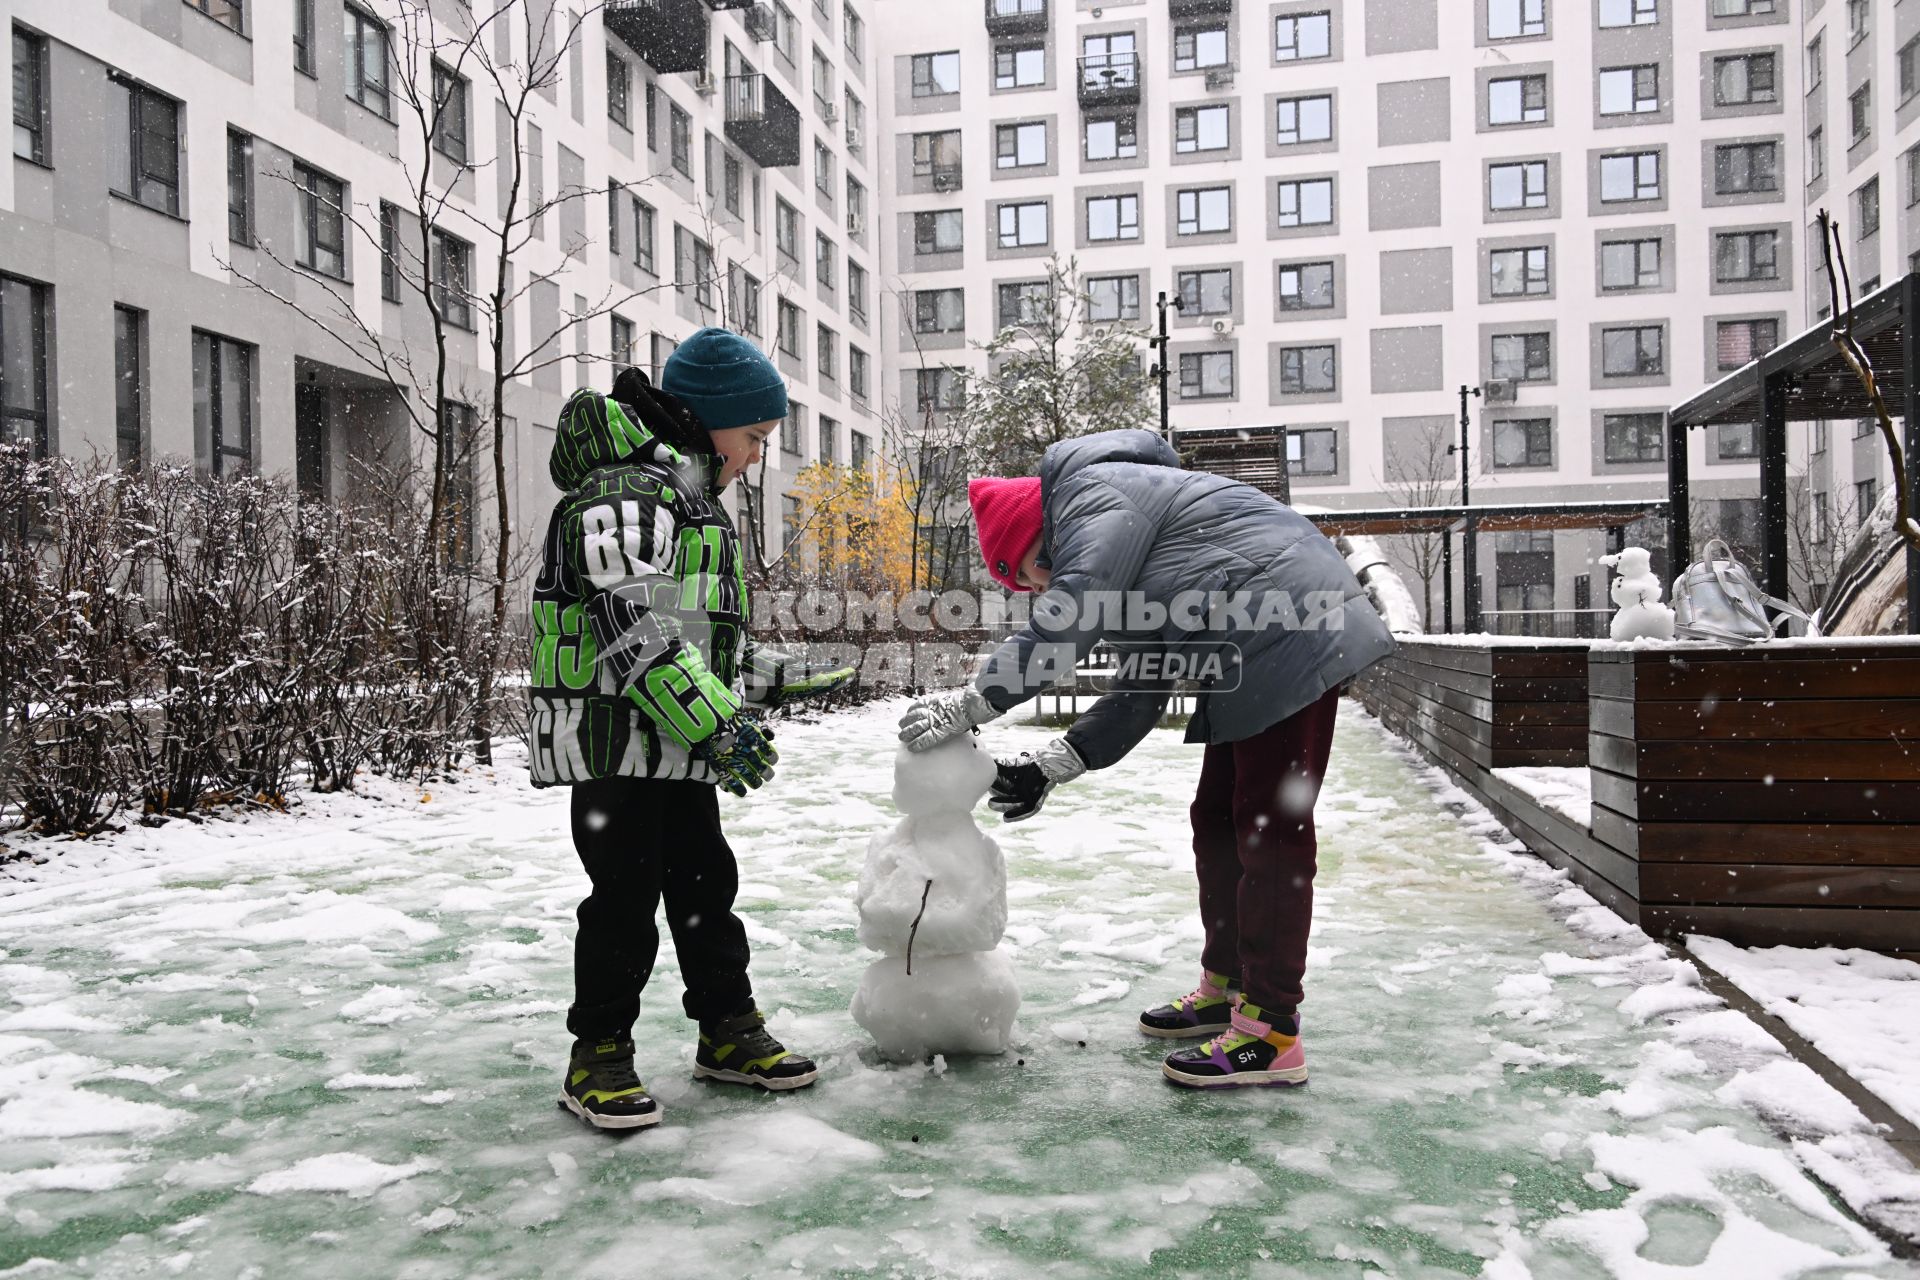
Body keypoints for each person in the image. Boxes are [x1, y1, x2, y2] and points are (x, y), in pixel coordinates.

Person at [897, 428, 1394, 1090]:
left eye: (1037, 572)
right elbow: (1140, 689)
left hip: (1295, 625)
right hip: (1249, 639)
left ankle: (1271, 1029)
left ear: (1039, 537)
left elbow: (1068, 622)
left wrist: (974, 705)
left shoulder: (1092, 495)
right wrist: (1053, 763)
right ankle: (1229, 986)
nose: (1045, 587)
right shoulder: (1125, 535)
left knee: (1268, 828)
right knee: (1217, 816)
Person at [528, 328, 853, 1130]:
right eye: (753, 438)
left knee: (708, 887)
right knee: (624, 899)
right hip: (616, 745)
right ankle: (598, 1052)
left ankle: (728, 1030)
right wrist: (714, 723)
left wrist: (761, 679)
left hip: (675, 745)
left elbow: (690, 632)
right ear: (709, 421)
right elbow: (633, 625)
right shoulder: (622, 496)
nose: (754, 457)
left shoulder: (683, 496)